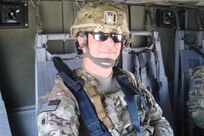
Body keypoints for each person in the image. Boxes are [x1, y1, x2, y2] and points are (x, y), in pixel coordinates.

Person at [38, 1, 174, 136]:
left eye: (117, 37)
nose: (110, 44)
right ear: (82, 40)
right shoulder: (66, 95)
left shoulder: (128, 79)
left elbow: (158, 120)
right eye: (100, 35)